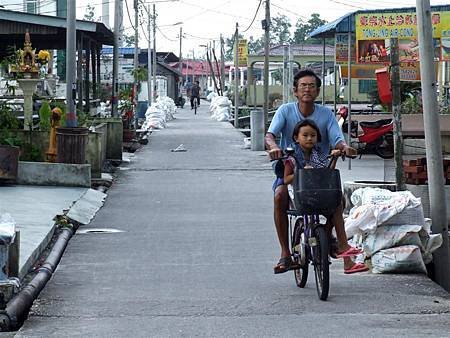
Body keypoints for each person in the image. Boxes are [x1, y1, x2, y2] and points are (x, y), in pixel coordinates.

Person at [265, 68, 364, 275]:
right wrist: (274, 147)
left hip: (319, 173)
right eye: (303, 86)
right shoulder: (285, 111)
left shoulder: (326, 114)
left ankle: (330, 241)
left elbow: (338, 139)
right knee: (279, 196)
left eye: (311, 86)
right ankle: (285, 253)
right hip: (290, 173)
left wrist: (344, 148)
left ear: (318, 91)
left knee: (338, 199)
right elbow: (270, 135)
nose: (307, 89)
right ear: (295, 90)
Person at [283, 119, 369, 274]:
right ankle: (337, 244)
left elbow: (326, 172)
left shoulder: (319, 154)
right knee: (334, 206)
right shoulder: (292, 157)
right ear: (297, 138)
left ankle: (345, 258)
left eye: (313, 135)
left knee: (337, 202)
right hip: (300, 196)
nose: (309, 138)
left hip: (318, 193)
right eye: (305, 135)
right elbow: (286, 179)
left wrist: (334, 158)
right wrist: (301, 173)